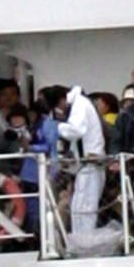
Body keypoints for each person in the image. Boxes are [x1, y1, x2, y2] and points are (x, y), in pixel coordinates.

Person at [57, 85, 107, 237]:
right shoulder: (83, 103)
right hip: (87, 163)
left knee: (85, 206)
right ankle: (82, 239)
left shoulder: (79, 104)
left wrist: (58, 127)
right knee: (81, 206)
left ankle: (84, 241)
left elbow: (77, 130)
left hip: (90, 163)